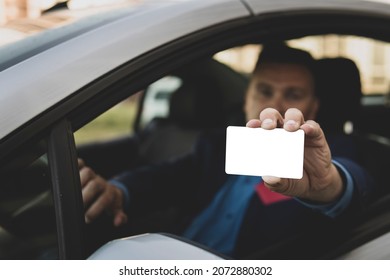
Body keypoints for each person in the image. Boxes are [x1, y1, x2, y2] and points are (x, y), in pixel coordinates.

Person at [79, 43, 373, 258]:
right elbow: (167, 177)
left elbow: (351, 183)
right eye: (265, 91)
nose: (276, 105)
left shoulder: (327, 154)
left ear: (313, 106)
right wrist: (118, 191)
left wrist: (327, 186)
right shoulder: (219, 144)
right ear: (246, 98)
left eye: (294, 95)